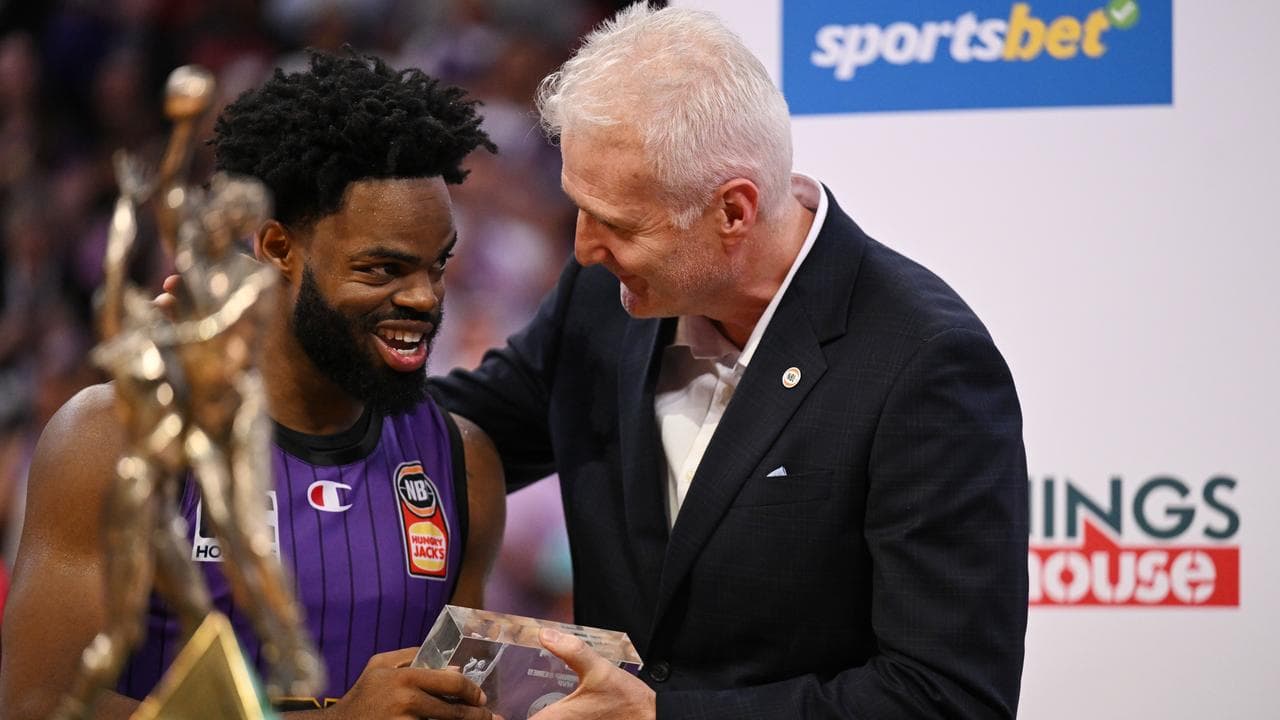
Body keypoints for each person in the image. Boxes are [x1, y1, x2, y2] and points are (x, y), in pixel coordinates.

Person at [430, 4, 1029, 719]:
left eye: (616, 224)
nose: (583, 247)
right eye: (579, 209)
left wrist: (661, 717)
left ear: (734, 212)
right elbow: (462, 429)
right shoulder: (604, 296)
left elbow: (947, 698)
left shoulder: (927, 365)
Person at [0, 52, 504, 720]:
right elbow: (38, 705)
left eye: (437, 265)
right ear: (276, 247)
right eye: (383, 269)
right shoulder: (112, 435)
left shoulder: (461, 461)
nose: (424, 297)